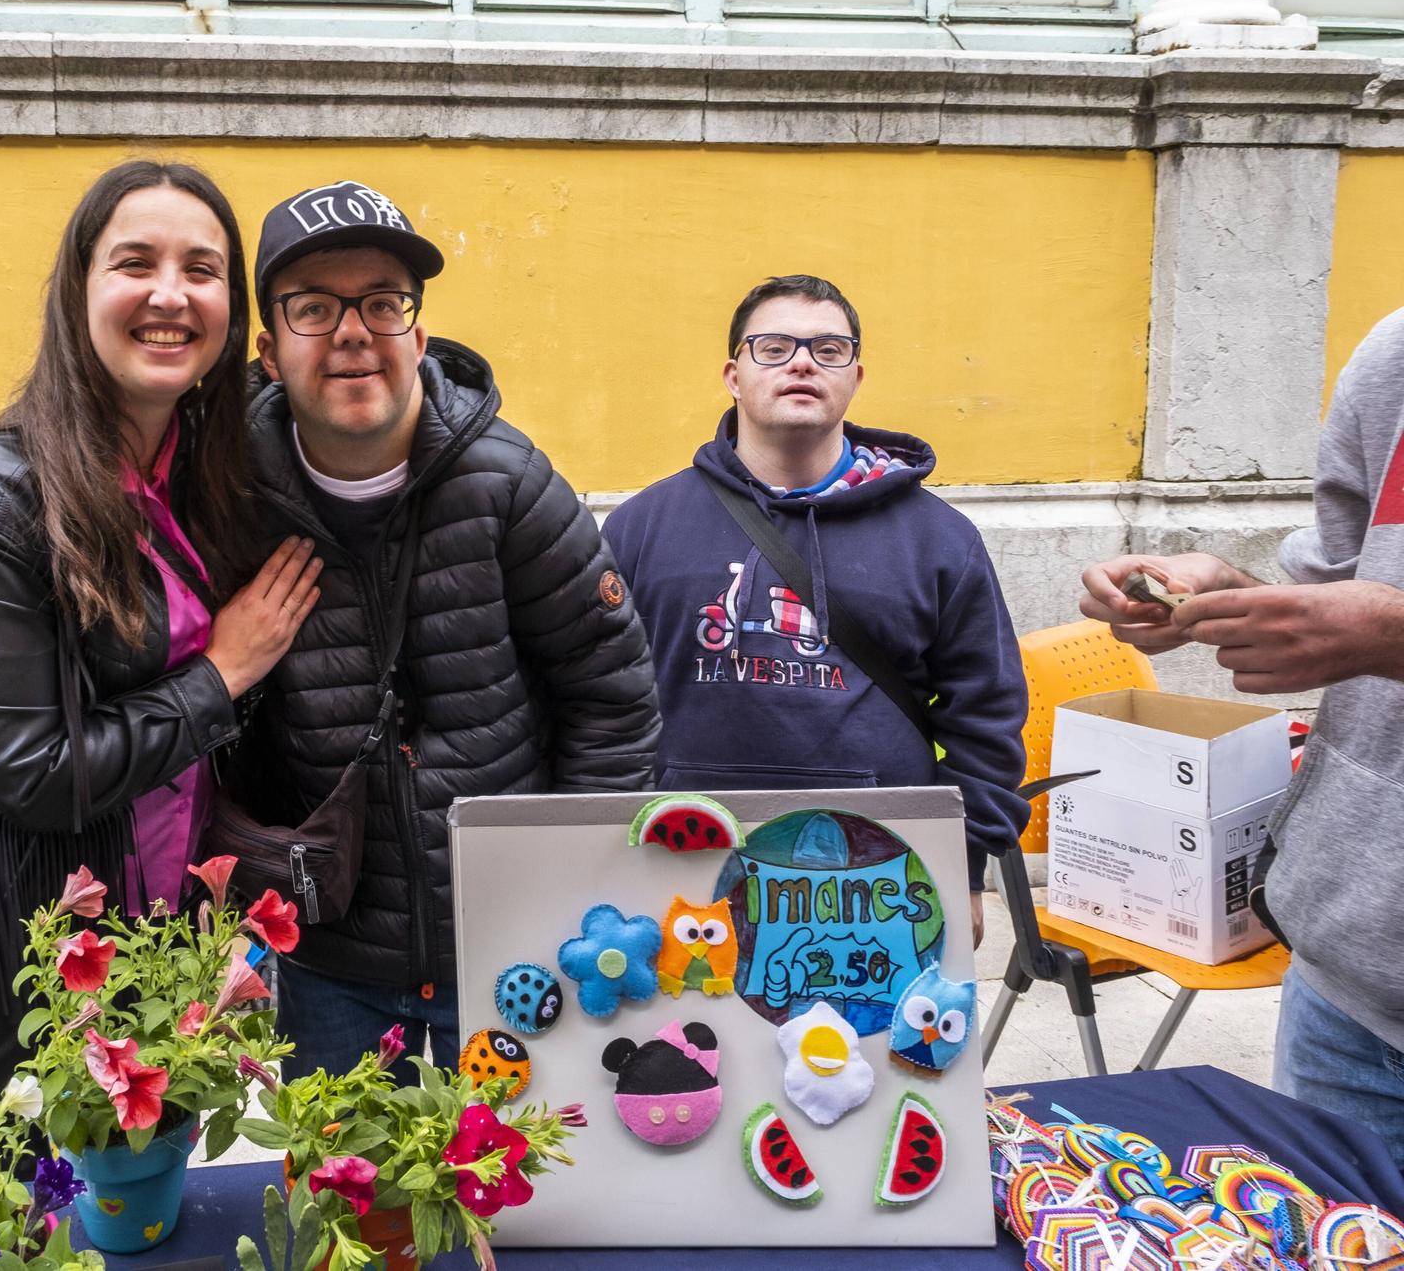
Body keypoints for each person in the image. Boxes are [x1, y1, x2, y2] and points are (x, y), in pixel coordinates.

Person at [0, 161, 322, 1101]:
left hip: (152, 944)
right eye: (134, 262)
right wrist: (221, 674)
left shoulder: (203, 472)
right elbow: (33, 772)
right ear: (78, 291)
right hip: (4, 965)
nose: (169, 294)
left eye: (202, 269)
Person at [235, 180, 662, 1076]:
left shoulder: (509, 487)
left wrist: (569, 893)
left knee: (525, 1202)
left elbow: (611, 701)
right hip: (331, 962)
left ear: (418, 336)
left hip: (508, 948)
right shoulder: (230, 502)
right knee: (356, 1205)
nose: (354, 332)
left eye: (383, 303)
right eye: (315, 308)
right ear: (270, 352)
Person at [600, 275, 1030, 948]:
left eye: (828, 349)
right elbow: (594, 701)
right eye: (773, 346)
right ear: (732, 374)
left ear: (855, 375)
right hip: (680, 861)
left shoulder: (940, 540)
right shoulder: (642, 527)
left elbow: (988, 715)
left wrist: (962, 862)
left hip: (877, 878)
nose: (802, 361)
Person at [1079, 306, 1404, 1165]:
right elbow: (1346, 599)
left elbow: (1382, 625)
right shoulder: (1395, 358)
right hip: (1347, 982)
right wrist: (1229, 594)